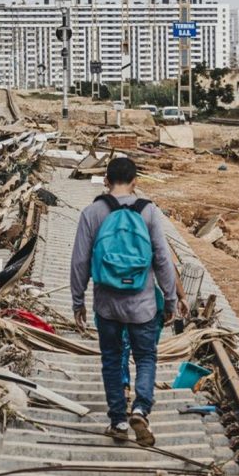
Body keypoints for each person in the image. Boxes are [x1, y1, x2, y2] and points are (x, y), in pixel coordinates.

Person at [70, 157, 178, 447]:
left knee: (111, 358)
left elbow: (80, 261)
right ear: (135, 182)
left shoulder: (93, 212)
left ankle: (117, 420)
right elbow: (163, 260)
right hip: (143, 305)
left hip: (107, 305)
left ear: (106, 181)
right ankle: (141, 409)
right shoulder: (149, 212)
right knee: (145, 357)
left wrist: (77, 301)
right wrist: (171, 300)